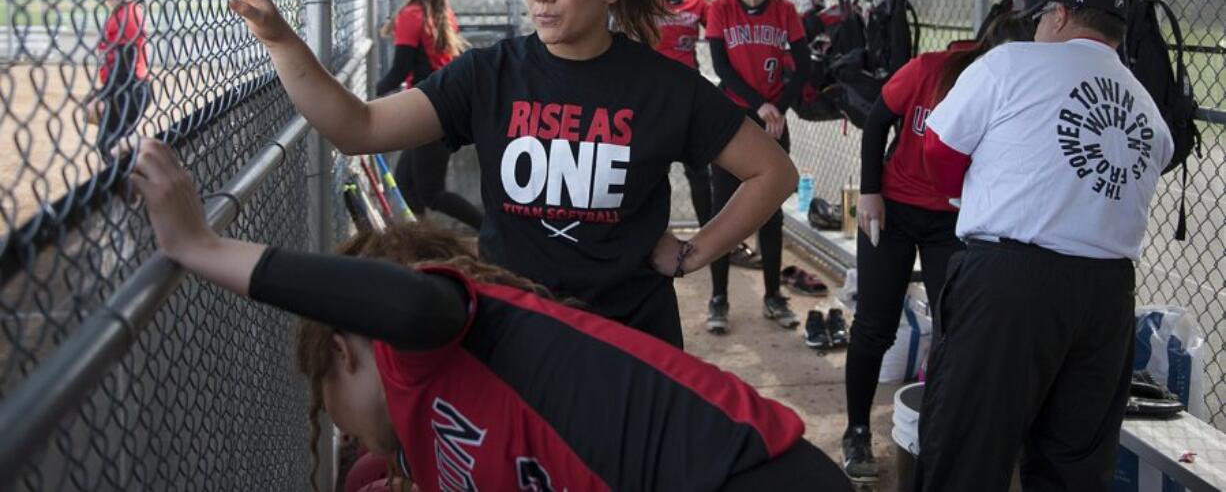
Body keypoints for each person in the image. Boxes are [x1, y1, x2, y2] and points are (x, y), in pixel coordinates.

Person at [219, 0, 798, 348]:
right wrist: (278, 38)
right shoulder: (490, 74)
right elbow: (358, 128)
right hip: (513, 332)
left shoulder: (661, 85)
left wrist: (694, 253)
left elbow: (772, 172)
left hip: (629, 341)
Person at [127, 138, 853, 491]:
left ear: (345, 352)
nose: (341, 433)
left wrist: (201, 246)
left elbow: (409, 301)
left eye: (328, 408)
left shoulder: (432, 341)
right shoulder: (413, 448)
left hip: (752, 478)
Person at [915, 0, 1174, 491]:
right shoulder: (1145, 104)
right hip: (1107, 293)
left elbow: (937, 151)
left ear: (1057, 15)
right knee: (1074, 467)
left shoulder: (1011, 62)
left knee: (968, 450)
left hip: (1014, 281)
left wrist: (969, 192)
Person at [840, 12, 1033, 482]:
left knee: (955, 333)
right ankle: (858, 429)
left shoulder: (1021, 91)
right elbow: (877, 120)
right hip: (896, 208)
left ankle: (940, 435)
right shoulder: (931, 69)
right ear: (989, 50)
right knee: (874, 325)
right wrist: (870, 191)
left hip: (955, 219)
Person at [701, 0, 811, 333]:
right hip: (732, 119)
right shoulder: (721, 9)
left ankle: (773, 296)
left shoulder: (784, 11)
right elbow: (721, 68)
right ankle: (719, 298)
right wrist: (759, 105)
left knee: (770, 214)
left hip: (772, 121)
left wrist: (778, 107)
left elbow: (801, 68)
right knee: (721, 210)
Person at [374, 0, 483, 231]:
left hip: (433, 111)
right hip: (439, 106)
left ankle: (491, 229)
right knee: (407, 185)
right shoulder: (441, 12)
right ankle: (422, 245)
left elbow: (399, 70)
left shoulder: (412, 15)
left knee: (431, 193)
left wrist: (369, 94)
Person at [654, 0, 717, 235]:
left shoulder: (696, 0)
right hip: (655, 90)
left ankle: (711, 236)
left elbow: (717, 34)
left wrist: (713, 4)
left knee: (698, 167)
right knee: (654, 169)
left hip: (688, 87)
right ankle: (653, 235)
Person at [87, 0, 151, 154]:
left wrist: (102, 97)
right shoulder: (121, 12)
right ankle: (131, 178)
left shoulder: (128, 15)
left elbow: (124, 67)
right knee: (118, 145)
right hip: (124, 90)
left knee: (109, 144)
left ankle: (128, 181)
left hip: (129, 91)